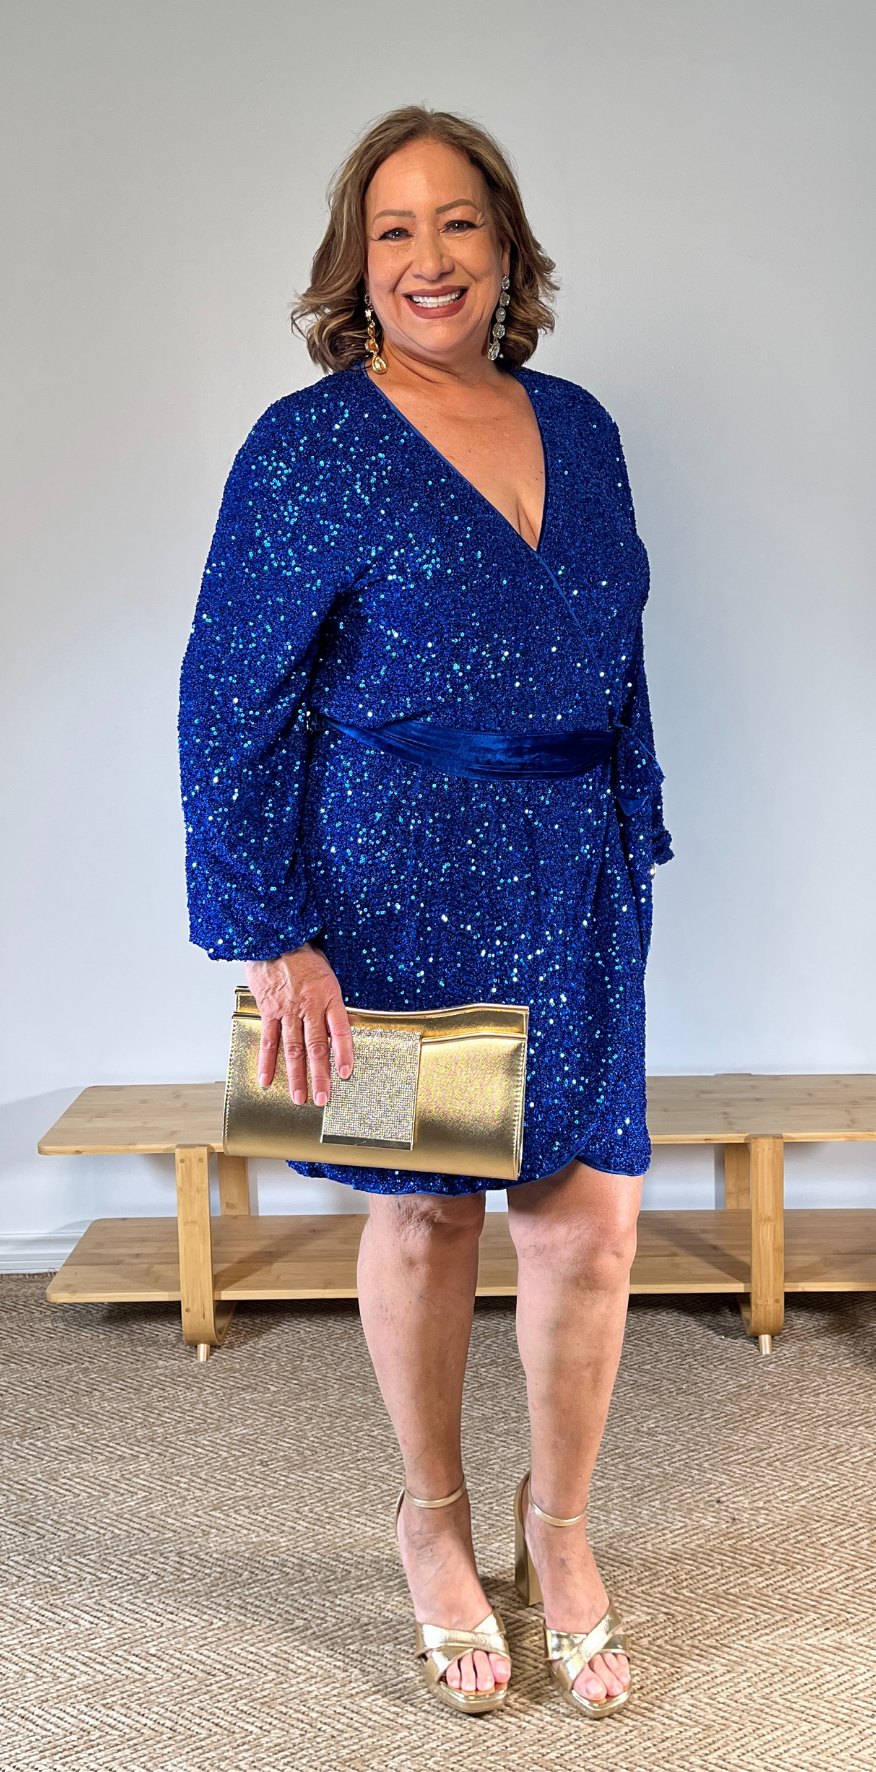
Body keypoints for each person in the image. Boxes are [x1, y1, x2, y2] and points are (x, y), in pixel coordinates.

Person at [179, 105, 671, 1720]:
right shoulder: (308, 445)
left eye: (459, 223)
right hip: (385, 884)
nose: (430, 258)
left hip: (571, 871)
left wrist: (633, 831)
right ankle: (436, 1526)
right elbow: (229, 694)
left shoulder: (580, 424)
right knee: (426, 1214)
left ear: (507, 247)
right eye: (395, 230)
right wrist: (269, 928)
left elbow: (614, 652)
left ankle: (560, 1531)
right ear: (356, 263)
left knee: (589, 1223)